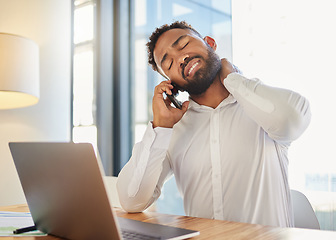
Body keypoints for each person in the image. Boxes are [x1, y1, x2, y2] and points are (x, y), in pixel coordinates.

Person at [116, 21, 311, 228]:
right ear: (171, 83)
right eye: (169, 64)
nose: (180, 59)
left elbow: (293, 120)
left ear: (210, 43)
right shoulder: (173, 131)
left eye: (183, 45)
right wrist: (160, 127)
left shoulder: (260, 108)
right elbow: (132, 200)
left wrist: (234, 79)